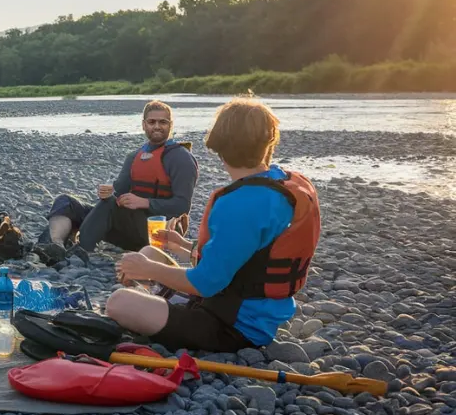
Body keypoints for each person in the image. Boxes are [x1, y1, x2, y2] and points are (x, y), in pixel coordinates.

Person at [106, 97, 321, 353]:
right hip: (242, 304)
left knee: (118, 302)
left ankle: (154, 305)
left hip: (233, 326)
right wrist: (184, 246)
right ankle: (158, 302)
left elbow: (205, 283)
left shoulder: (241, 202)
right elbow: (249, 257)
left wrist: (149, 270)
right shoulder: (284, 184)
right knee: (151, 251)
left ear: (218, 145)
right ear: (270, 141)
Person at [43, 100, 199, 253]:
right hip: (129, 226)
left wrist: (144, 202)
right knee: (66, 202)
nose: (157, 126)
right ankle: (55, 245)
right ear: (144, 125)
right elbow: (118, 193)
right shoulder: (134, 157)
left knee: (110, 205)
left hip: (160, 232)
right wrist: (108, 191)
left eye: (163, 122)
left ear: (171, 125)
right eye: (152, 122)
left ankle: (81, 250)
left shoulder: (181, 158)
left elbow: (182, 205)